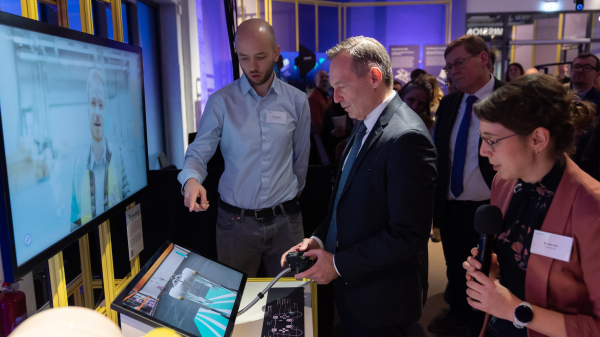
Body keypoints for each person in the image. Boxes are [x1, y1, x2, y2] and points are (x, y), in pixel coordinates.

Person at [281, 36, 437, 336]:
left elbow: (408, 235)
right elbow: (343, 201)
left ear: (374, 77)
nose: (336, 97)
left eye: (342, 86)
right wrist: (319, 241)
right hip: (358, 290)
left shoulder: (406, 138)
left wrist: (338, 264)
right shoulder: (365, 122)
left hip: (383, 301)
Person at [463, 73, 600, 337]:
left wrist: (515, 309)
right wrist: (494, 267)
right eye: (482, 137)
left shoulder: (591, 209)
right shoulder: (503, 184)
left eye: (492, 140)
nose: (483, 151)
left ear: (538, 139)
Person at [178, 19, 311, 277]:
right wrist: (191, 180)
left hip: (286, 222)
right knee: (234, 302)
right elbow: (198, 152)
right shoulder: (221, 102)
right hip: (235, 225)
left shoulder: (297, 101)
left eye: (260, 57)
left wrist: (288, 198)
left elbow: (301, 161)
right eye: (244, 58)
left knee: (288, 299)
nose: (252, 66)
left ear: (275, 52)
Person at [429, 35, 502, 335]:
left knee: (493, 269)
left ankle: (487, 321)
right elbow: (441, 155)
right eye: (448, 67)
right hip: (452, 205)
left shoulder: (509, 99)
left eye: (459, 63)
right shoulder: (449, 104)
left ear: (482, 59)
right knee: (455, 265)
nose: (452, 71)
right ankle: (459, 311)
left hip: (493, 207)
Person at [70, 69, 130, 232]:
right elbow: (74, 221)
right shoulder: (78, 165)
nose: (97, 112)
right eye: (93, 103)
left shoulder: (118, 154)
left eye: (101, 105)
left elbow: (131, 205)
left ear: (106, 111)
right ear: (87, 109)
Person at [568, 53, 600, 167]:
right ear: (571, 71)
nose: (580, 70)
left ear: (597, 74)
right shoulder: (556, 99)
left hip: (585, 167)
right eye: (577, 66)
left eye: (587, 67)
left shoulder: (598, 102)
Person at [308, 70, 331, 135]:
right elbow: (315, 122)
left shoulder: (326, 96)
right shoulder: (313, 98)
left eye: (326, 77)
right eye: (321, 77)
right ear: (316, 80)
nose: (325, 78)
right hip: (322, 136)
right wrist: (330, 132)